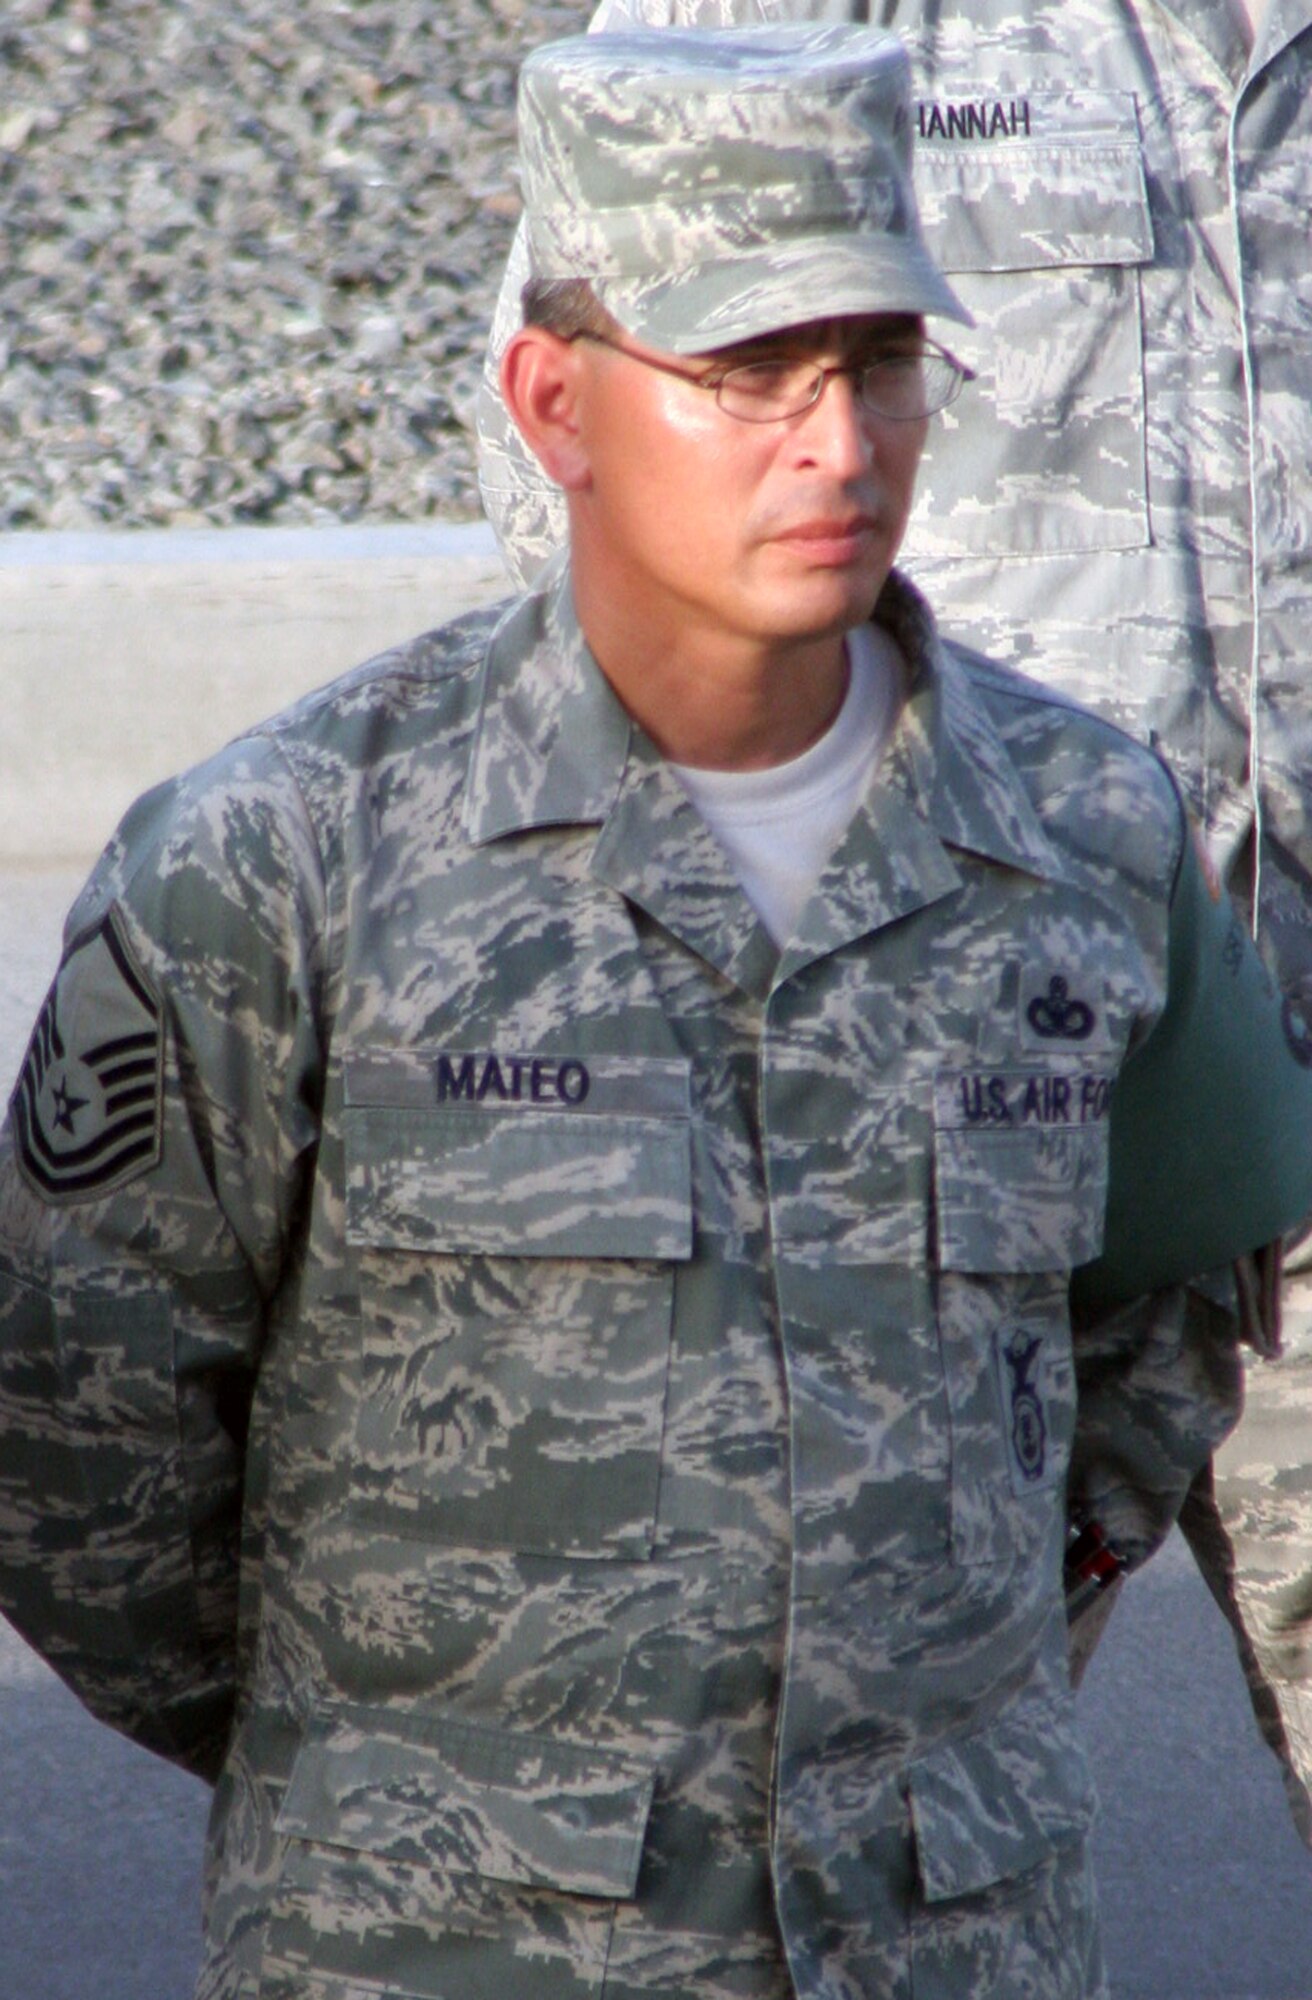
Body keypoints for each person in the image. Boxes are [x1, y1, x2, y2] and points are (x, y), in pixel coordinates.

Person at [1, 25, 1310, 1999]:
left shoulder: (1086, 837)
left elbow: (1153, 1321)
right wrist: (389, 1770)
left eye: (874, 362)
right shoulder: (288, 860)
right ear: (553, 400)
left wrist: (923, 1677)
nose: (837, 445)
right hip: (451, 1945)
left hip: (938, 1941)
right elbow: (77, 1451)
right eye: (738, 373)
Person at [477, 0, 1312, 1840]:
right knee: (809, 1835)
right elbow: (595, 481)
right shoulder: (790, 23)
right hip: (937, 1117)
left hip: (1289, 1101)